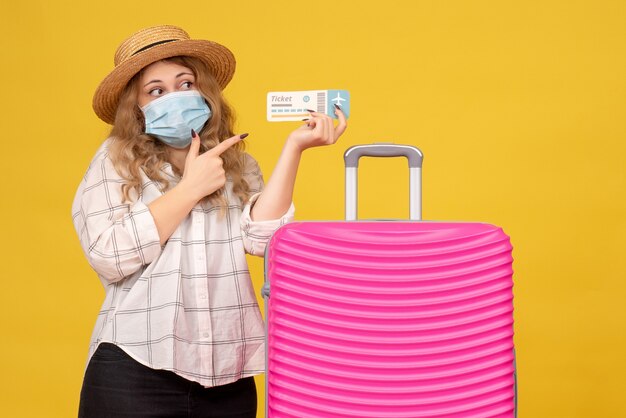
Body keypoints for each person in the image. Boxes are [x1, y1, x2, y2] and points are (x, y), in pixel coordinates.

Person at [71, 25, 347, 417]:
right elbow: (109, 256)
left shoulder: (237, 163)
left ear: (204, 91)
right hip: (135, 367)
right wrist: (189, 189)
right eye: (156, 91)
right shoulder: (114, 160)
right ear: (137, 108)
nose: (175, 97)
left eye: (185, 83)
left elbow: (263, 241)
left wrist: (295, 148)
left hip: (228, 374)